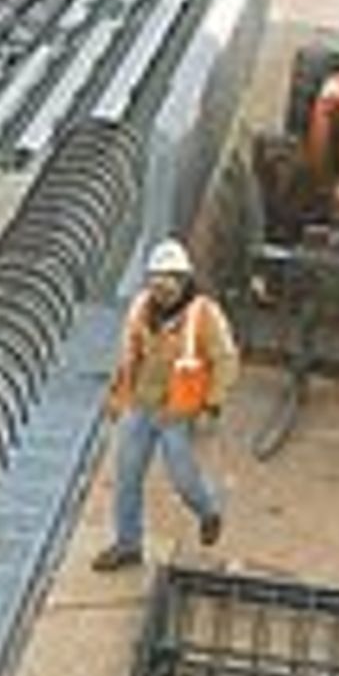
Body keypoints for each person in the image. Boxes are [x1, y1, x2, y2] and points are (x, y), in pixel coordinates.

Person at [95, 238, 233, 572]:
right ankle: (128, 545)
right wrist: (116, 398)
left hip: (178, 413)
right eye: (155, 284)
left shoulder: (204, 315)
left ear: (183, 281)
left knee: (183, 479)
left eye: (168, 284)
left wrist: (212, 404)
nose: (161, 293)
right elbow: (129, 356)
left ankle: (208, 511)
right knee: (127, 477)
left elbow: (225, 359)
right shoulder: (142, 308)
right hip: (141, 406)